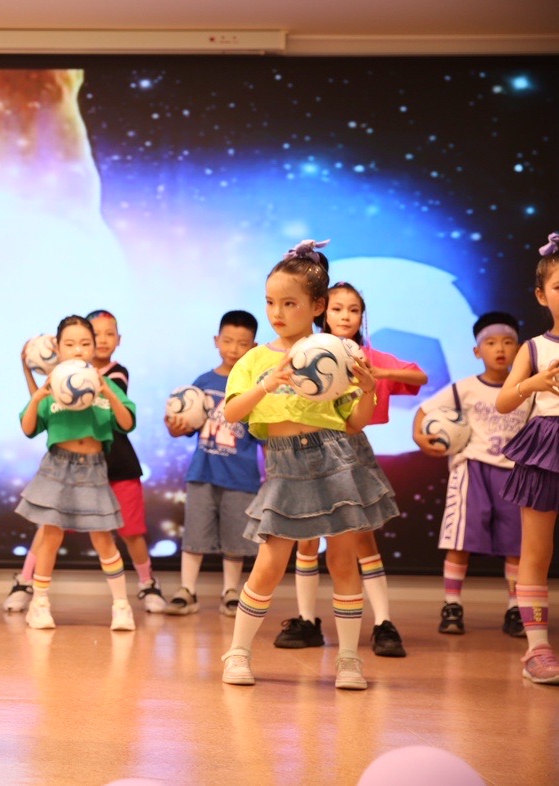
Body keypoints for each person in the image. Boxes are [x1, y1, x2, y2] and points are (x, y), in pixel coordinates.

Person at [219, 240, 396, 690]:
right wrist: (268, 382)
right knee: (269, 562)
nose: (277, 313)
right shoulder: (255, 358)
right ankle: (238, 653)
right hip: (285, 467)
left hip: (336, 461)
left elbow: (353, 423)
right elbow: (233, 412)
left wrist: (369, 390)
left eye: (290, 303)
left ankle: (349, 659)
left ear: (317, 306)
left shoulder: (338, 352)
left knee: (343, 560)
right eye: (270, 302)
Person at [278, 282, 427, 658]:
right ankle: (306, 620)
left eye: (353, 310)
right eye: (337, 308)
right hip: (310, 449)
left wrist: (375, 372)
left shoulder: (368, 355)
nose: (345, 316)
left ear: (362, 316)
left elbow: (419, 377)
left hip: (351, 451)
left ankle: (383, 623)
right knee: (307, 538)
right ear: (322, 312)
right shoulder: (307, 350)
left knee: (362, 539)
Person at [412, 311, 531, 639]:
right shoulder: (464, 389)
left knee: (517, 544)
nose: (499, 349)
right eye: (490, 343)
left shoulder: (526, 390)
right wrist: (420, 437)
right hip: (472, 470)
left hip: (514, 475)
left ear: (519, 349)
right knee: (460, 540)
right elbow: (424, 411)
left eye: (507, 342)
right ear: (477, 351)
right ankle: (452, 605)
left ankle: (515, 607)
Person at [17, 315, 138, 631]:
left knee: (103, 537)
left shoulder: (105, 384)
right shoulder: (52, 384)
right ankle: (39, 604)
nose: (78, 349)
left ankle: (121, 606)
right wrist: (38, 396)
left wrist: (107, 391)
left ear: (94, 347)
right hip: (57, 467)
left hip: (94, 468)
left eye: (85, 343)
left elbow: (126, 423)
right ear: (57, 348)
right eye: (70, 344)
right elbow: (28, 428)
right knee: (51, 535)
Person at [165, 310, 262, 617]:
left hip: (242, 477)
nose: (233, 349)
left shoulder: (254, 387)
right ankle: (187, 590)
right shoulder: (203, 383)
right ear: (216, 340)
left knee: (235, 537)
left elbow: (263, 433)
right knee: (195, 534)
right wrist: (175, 426)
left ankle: (230, 591)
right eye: (228, 341)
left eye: (242, 343)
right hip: (202, 473)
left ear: (254, 346)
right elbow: (184, 426)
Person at [495, 233, 559, 684]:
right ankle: (537, 648)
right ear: (541, 295)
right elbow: (503, 402)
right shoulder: (533, 347)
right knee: (535, 551)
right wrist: (531, 385)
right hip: (545, 447)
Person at [87, 309, 166, 613]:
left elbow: (113, 397)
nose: (102, 340)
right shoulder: (69, 371)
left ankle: (147, 583)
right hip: (81, 467)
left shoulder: (118, 373)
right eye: (95, 334)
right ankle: (27, 582)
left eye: (109, 334)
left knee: (132, 530)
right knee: (51, 528)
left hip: (120, 465)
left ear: (119, 339)